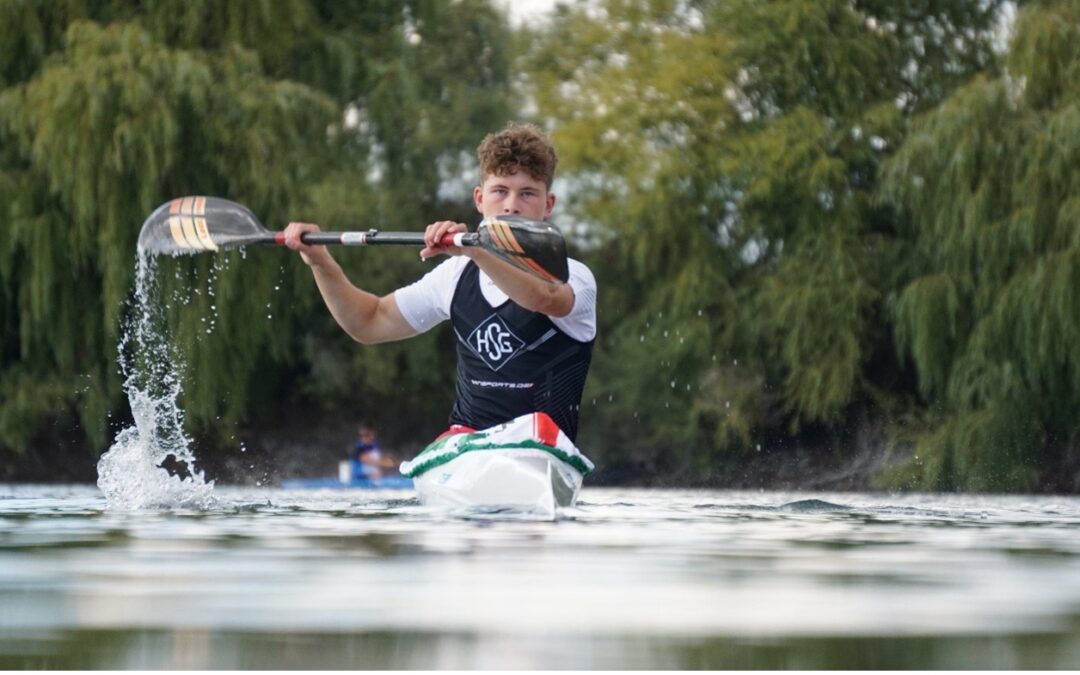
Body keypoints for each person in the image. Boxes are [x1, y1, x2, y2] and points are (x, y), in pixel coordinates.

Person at [283, 122, 597, 443]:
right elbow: (368, 322)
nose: (511, 205)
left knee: (535, 430)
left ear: (548, 205)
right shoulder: (455, 275)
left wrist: (476, 253)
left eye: (527, 193)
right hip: (467, 443)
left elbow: (543, 299)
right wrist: (320, 262)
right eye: (500, 191)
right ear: (479, 199)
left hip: (543, 445)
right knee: (448, 439)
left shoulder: (574, 277)